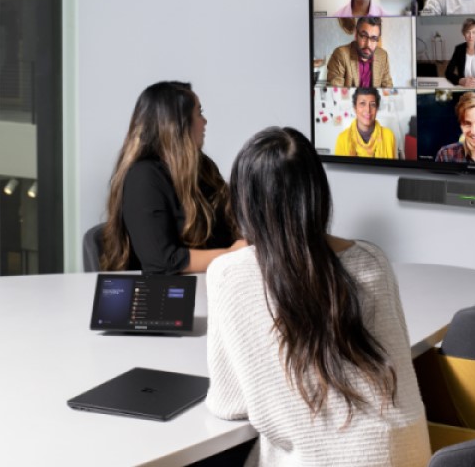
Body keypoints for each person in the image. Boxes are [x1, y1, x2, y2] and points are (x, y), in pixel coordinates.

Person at [205, 127, 430, 467]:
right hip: (407, 455)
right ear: (318, 193)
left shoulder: (228, 274)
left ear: (244, 201)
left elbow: (229, 403)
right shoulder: (372, 260)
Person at [100, 81, 241, 275]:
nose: (205, 121)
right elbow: (163, 261)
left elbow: (226, 231)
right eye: (199, 113)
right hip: (165, 297)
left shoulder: (204, 168)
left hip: (211, 284)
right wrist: (230, 255)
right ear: (178, 125)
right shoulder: (144, 178)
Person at [326, 16, 394, 88]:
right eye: (364, 36)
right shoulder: (341, 54)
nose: (368, 44)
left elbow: (388, 88)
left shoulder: (382, 55)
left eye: (374, 38)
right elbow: (335, 91)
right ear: (356, 35)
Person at [334, 87, 397, 158]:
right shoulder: (342, 139)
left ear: (377, 109)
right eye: (362, 103)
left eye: (372, 104)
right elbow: (340, 169)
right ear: (355, 108)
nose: (368, 110)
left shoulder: (389, 136)